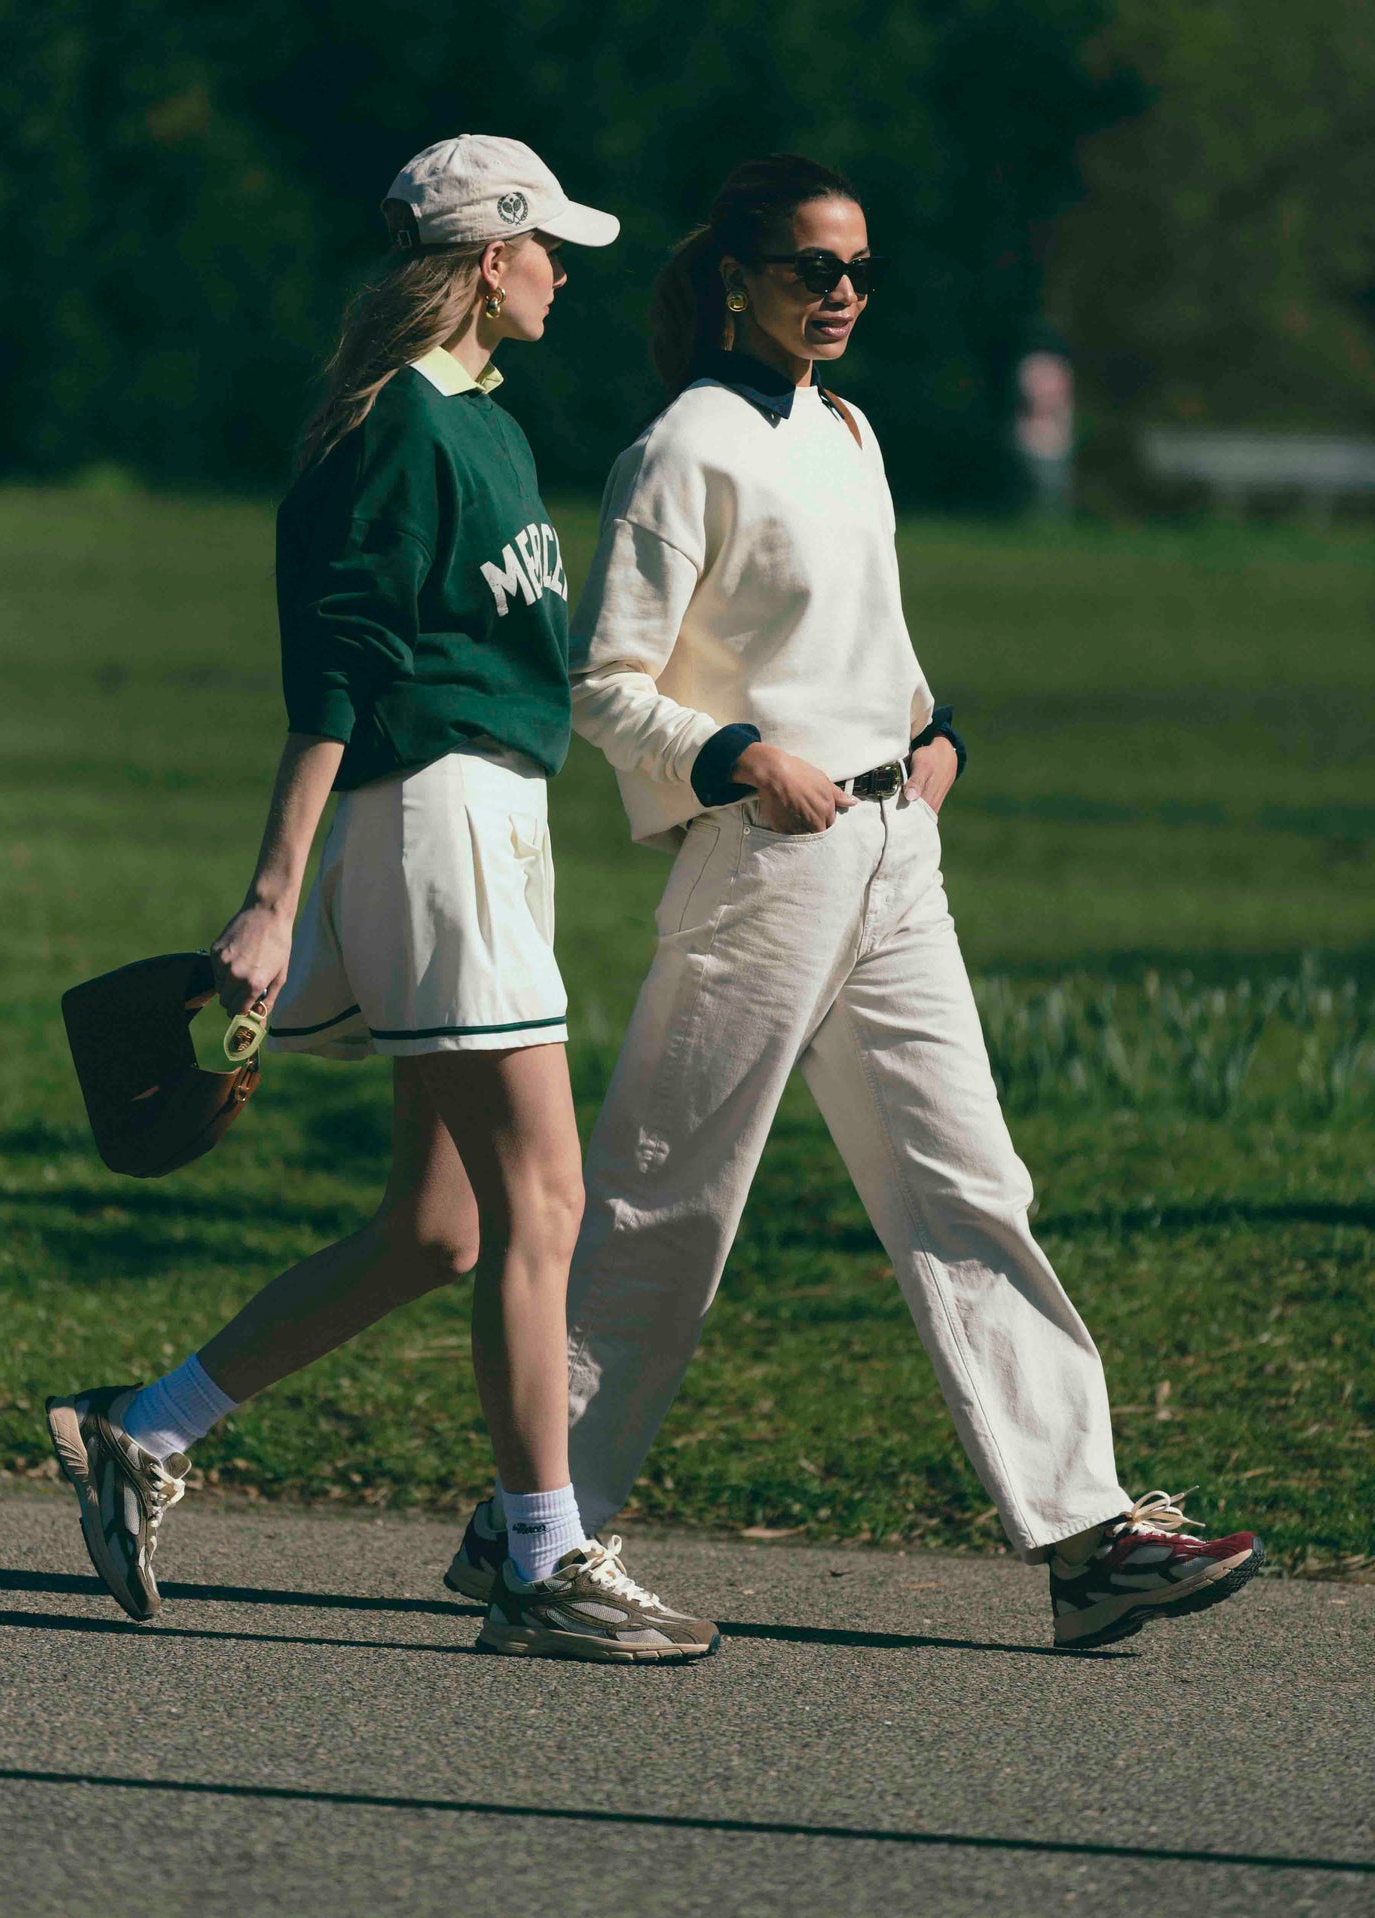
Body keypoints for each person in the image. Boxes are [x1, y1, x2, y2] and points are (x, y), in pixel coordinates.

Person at [444, 154, 1263, 1651]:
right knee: (663, 1203)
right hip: (763, 859)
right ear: (741, 276)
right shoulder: (682, 447)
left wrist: (932, 731)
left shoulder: (846, 426)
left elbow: (858, 633)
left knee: (968, 1183)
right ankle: (531, 1528)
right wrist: (741, 756)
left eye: (856, 271)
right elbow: (603, 682)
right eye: (810, 268)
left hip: (894, 854)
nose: (838, 294)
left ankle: (1087, 1538)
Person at [45, 134, 719, 1666]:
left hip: (484, 824)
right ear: (491, 258)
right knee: (544, 1197)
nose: (566, 271)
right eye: (548, 246)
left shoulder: (480, 422)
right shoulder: (398, 432)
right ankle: (540, 1554)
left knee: (440, 1226)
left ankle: (141, 1430)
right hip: (432, 825)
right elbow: (335, 678)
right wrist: (271, 897)